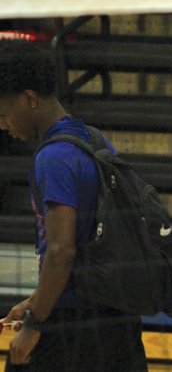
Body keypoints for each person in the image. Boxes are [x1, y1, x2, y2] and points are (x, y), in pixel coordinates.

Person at [0, 42, 148, 372]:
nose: (2, 125)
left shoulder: (53, 158)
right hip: (115, 311)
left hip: (73, 325)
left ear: (29, 99)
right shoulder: (95, 139)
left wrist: (35, 323)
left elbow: (62, 250)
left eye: (3, 113)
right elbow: (88, 245)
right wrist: (37, 300)